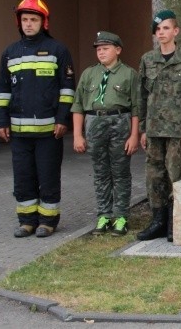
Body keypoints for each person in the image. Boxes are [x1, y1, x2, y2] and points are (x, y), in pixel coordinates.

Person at [0, 0, 75, 238]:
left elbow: (67, 89)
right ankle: (26, 221)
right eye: (25, 19)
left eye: (33, 19)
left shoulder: (58, 50)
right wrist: (0, 120)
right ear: (19, 23)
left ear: (44, 22)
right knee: (23, 177)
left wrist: (62, 119)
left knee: (48, 176)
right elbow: (2, 89)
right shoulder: (10, 53)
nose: (28, 24)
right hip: (19, 132)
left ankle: (48, 221)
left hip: (49, 131)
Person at [137, 10, 181, 242]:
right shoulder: (147, 60)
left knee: (175, 174)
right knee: (154, 175)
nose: (161, 33)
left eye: (166, 28)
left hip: (177, 130)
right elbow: (142, 97)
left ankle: (176, 221)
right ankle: (158, 220)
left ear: (176, 31)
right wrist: (143, 128)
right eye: (158, 29)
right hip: (154, 130)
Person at [71, 31, 140, 236]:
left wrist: (134, 135)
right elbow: (78, 106)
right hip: (94, 123)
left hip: (119, 122)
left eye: (106, 48)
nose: (101, 53)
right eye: (98, 49)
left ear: (117, 50)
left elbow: (136, 108)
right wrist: (77, 135)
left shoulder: (129, 74)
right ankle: (104, 215)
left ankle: (121, 216)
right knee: (101, 173)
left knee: (120, 172)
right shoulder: (89, 74)